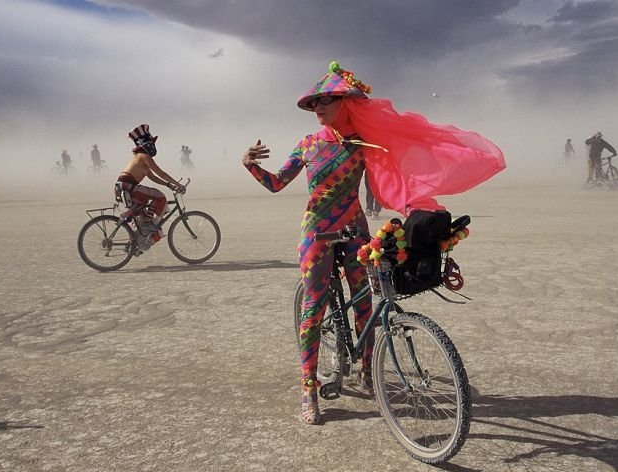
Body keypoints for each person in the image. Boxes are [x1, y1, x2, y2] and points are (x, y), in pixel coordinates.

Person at [242, 62, 504, 425]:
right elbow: (276, 183)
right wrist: (250, 165)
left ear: (346, 103)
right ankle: (308, 386)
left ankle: (368, 372)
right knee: (314, 307)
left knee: (365, 302)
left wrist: (424, 213)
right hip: (316, 229)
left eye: (327, 100)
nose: (318, 107)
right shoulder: (308, 145)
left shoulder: (361, 147)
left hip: (354, 229)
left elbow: (397, 181)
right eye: (315, 102)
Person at [115, 124, 186, 247]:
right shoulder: (144, 156)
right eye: (152, 143)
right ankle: (149, 223)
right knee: (160, 197)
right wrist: (178, 184)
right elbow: (161, 173)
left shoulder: (139, 158)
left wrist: (169, 185)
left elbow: (153, 177)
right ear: (147, 143)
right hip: (128, 187)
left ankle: (135, 244)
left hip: (123, 188)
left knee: (142, 213)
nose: (154, 146)